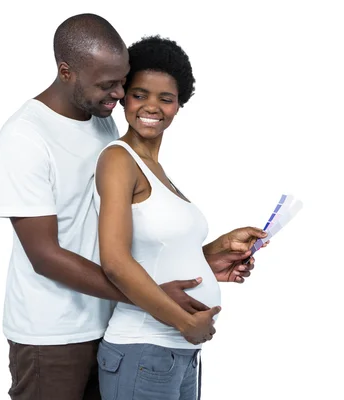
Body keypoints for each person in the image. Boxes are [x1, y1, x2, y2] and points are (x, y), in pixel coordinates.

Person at [0, 13, 266, 400]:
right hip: (53, 333)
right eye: (108, 85)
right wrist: (156, 300)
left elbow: (127, 234)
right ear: (66, 71)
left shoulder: (100, 121)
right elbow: (44, 254)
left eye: (122, 82)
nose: (120, 95)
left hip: (110, 325)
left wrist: (204, 261)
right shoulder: (25, 136)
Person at [95, 35, 263, 400]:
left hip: (179, 355)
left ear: (178, 105)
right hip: (143, 348)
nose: (151, 106)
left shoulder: (157, 171)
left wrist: (215, 254)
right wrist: (185, 321)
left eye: (165, 98)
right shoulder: (118, 160)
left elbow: (157, 253)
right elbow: (115, 262)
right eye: (140, 94)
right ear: (124, 96)